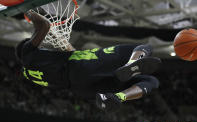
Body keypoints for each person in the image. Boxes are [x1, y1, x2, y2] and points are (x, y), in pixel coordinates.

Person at [15, 10, 161, 111]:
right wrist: (29, 12)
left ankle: (119, 97)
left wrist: (59, 39)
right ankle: (131, 64)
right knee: (141, 48)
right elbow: (43, 26)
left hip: (81, 89)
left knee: (151, 81)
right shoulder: (27, 53)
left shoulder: (29, 74)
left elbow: (68, 52)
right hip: (79, 66)